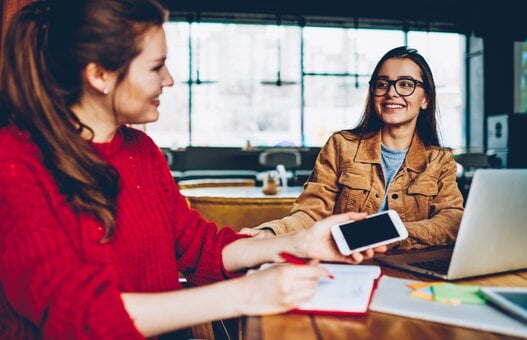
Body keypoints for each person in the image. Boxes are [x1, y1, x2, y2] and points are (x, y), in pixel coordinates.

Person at [0, 0, 386, 338]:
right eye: (156, 67)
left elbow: (199, 248)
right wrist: (250, 293)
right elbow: (80, 317)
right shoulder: (15, 164)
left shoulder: (141, 151)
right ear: (99, 74)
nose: (169, 80)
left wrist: (298, 243)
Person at [242, 46, 464, 250]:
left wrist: (391, 231)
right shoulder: (341, 146)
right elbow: (311, 214)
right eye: (382, 83)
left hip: (411, 266)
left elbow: (451, 221)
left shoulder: (440, 160)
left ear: (425, 99)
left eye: (406, 84)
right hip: (346, 265)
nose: (392, 92)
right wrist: (270, 232)